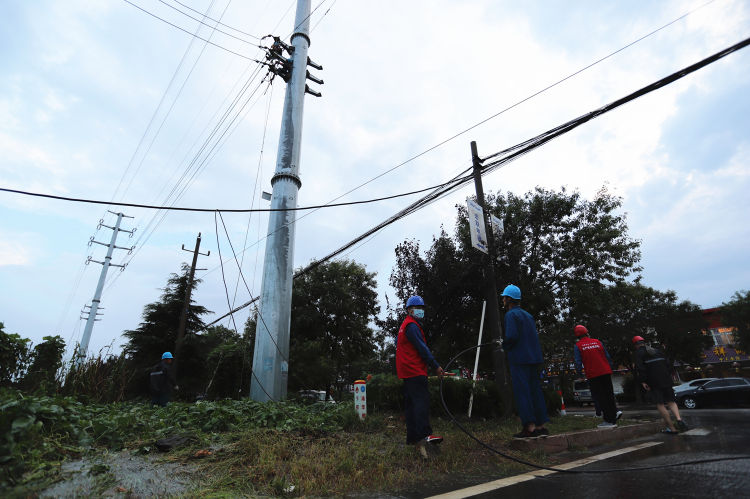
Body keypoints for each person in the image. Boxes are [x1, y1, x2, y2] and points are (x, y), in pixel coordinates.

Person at [396, 295, 445, 458]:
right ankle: (425, 436)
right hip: (415, 370)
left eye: (422, 309)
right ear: (410, 310)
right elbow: (422, 348)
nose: (421, 311)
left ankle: (412, 439)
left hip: (407, 371)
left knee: (410, 406)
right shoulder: (412, 326)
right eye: (418, 308)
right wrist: (435, 365)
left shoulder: (405, 326)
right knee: (421, 403)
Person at [500, 285, 549, 438]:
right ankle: (541, 426)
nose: (503, 299)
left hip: (519, 359)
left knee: (523, 393)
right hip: (534, 359)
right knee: (536, 392)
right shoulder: (528, 315)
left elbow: (512, 337)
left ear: (509, 299)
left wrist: (503, 344)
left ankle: (530, 427)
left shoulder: (510, 315)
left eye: (504, 297)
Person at [632, 336, 688, 434]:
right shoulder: (656, 350)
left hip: (653, 381)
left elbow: (641, 369)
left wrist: (643, 381)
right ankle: (679, 419)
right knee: (671, 401)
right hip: (666, 379)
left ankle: (672, 428)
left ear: (635, 345)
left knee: (660, 404)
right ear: (643, 342)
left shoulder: (638, 353)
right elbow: (667, 364)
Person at [573, 325, 622, 428]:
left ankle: (608, 420)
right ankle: (613, 417)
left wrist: (580, 375)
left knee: (601, 397)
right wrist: (610, 368)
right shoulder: (597, 342)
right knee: (609, 395)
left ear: (577, 336)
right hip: (605, 371)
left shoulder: (578, 346)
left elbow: (578, 363)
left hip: (593, 374)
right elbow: (607, 356)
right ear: (587, 332)